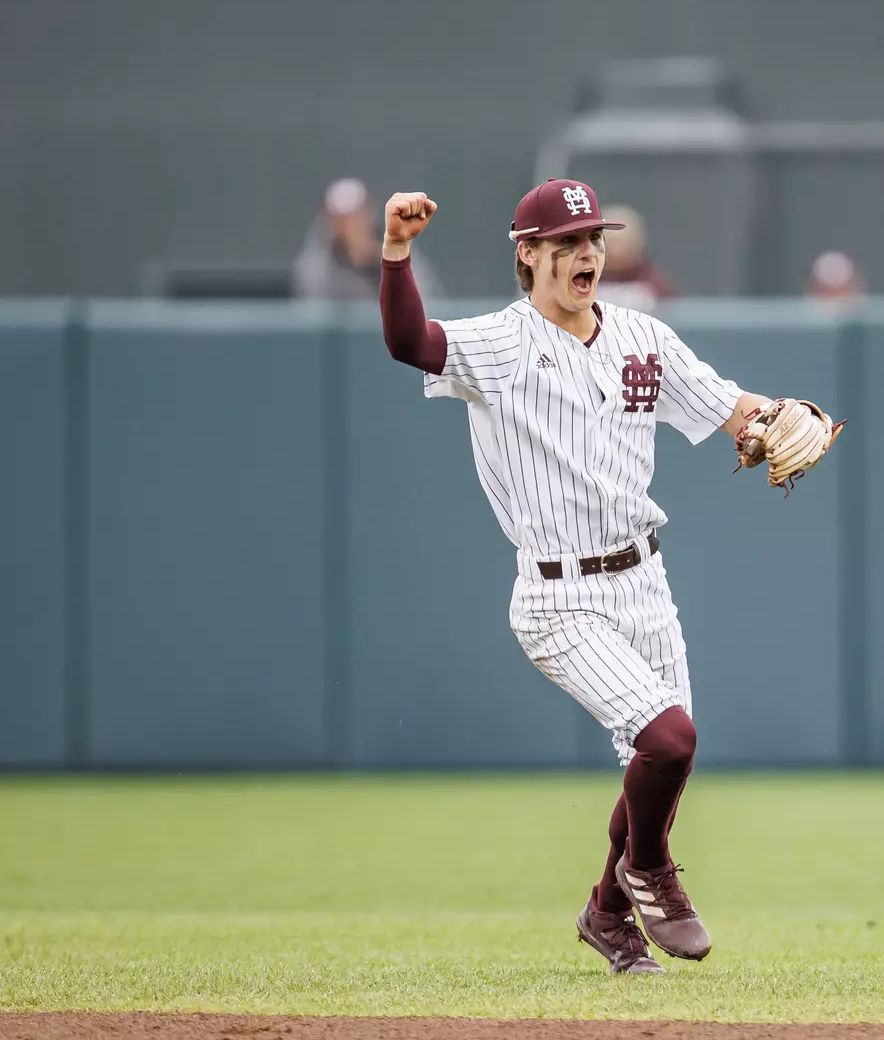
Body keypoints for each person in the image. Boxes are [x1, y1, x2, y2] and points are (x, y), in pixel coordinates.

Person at [376, 178, 841, 976]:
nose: (587, 254)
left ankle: (606, 916)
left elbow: (731, 408)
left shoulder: (641, 339)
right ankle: (650, 874)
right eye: (567, 244)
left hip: (643, 581)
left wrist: (778, 415)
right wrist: (395, 252)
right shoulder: (501, 343)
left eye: (593, 239)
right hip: (557, 595)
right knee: (670, 739)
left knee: (658, 763)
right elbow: (411, 343)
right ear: (529, 255)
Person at [295, 178, 444, 303]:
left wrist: (382, 265)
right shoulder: (317, 266)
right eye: (341, 218)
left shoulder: (398, 246)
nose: (350, 224)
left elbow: (424, 300)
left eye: (356, 215)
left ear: (369, 213)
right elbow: (315, 314)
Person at [592, 205, 676, 314]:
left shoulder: (654, 280)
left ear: (639, 242)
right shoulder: (585, 277)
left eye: (624, 242)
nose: (617, 250)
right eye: (610, 241)